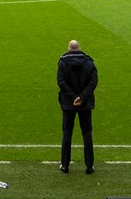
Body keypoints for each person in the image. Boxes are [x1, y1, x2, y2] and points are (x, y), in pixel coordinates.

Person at [57, 40, 98, 175]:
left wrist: (73, 97)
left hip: (68, 104)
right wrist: (82, 97)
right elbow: (93, 81)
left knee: (67, 133)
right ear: (79, 48)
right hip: (85, 104)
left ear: (69, 49)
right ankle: (89, 165)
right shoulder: (89, 62)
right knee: (87, 133)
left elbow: (61, 82)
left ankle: (65, 165)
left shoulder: (63, 63)